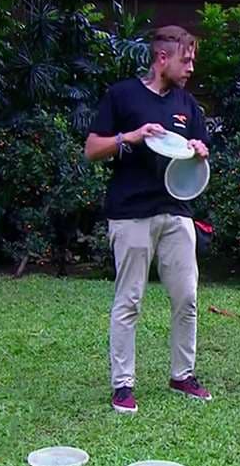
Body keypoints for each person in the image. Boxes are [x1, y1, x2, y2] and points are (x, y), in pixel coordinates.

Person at [84, 25, 212, 413]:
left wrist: (200, 149)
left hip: (176, 211)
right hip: (130, 213)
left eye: (193, 60)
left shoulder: (187, 104)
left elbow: (199, 151)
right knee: (130, 299)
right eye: (185, 60)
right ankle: (123, 385)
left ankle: (182, 375)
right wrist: (131, 136)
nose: (190, 67)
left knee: (187, 297)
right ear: (162, 58)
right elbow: (92, 149)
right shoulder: (122, 95)